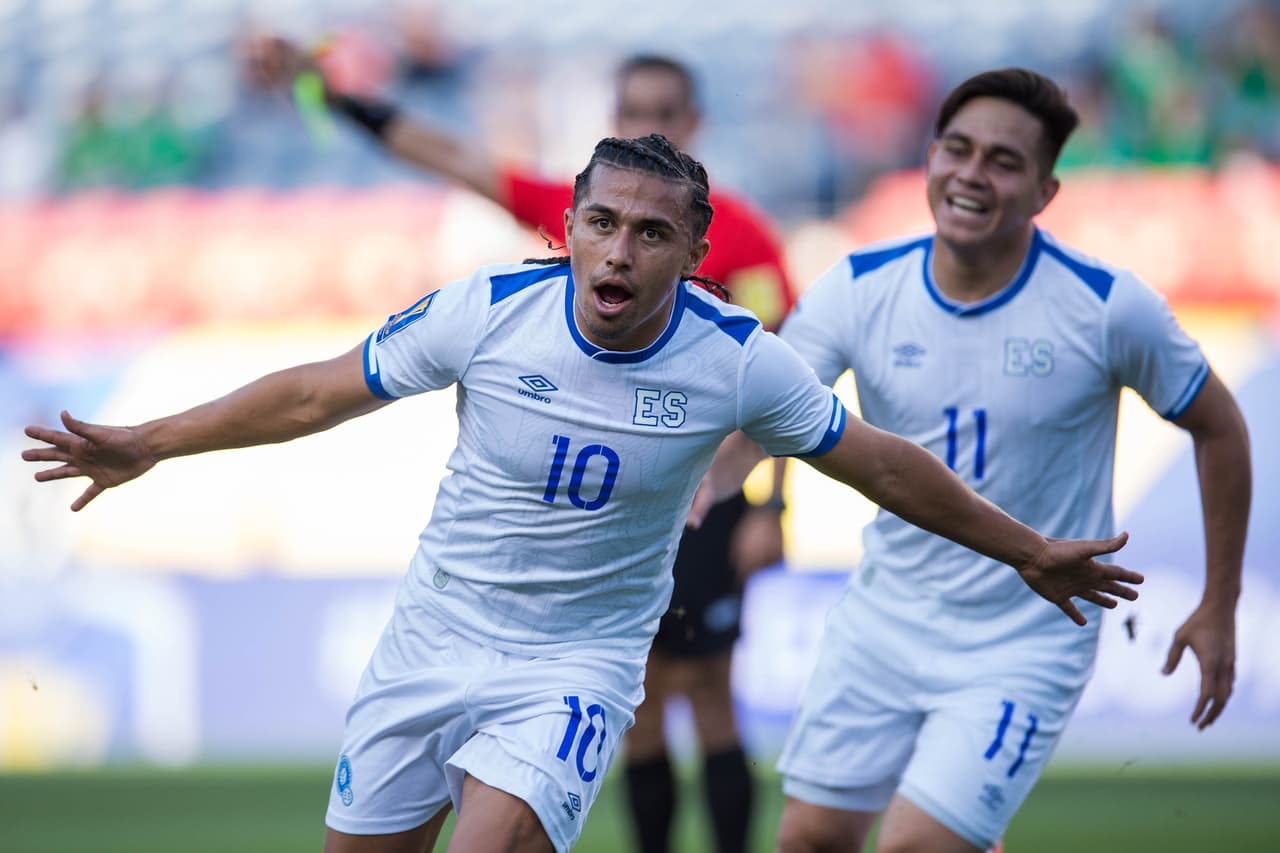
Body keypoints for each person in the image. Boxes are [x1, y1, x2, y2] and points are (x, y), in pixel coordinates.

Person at [22, 133, 1144, 853]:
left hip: (574, 665)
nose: (617, 251)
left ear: (693, 251)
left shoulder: (737, 357)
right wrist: (153, 442)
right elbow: (320, 393)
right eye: (600, 223)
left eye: (650, 232)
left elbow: (880, 460)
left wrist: (1024, 547)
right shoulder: (487, 309)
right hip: (428, 638)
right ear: (566, 227)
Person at [248, 39, 793, 853]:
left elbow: (780, 382)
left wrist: (764, 501)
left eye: (663, 113)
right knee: (639, 710)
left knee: (708, 689)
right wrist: (337, 95)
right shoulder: (583, 219)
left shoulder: (744, 240)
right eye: (633, 113)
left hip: (698, 492)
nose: (649, 125)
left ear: (693, 121)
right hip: (583, 521)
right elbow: (451, 157)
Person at [697, 69, 1250, 853]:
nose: (971, 174)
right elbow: (764, 415)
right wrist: (707, 482)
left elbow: (1221, 426)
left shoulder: (1105, 306)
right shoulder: (858, 288)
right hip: (885, 618)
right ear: (929, 157)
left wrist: (1219, 602)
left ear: (1045, 190)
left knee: (915, 847)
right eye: (957, 148)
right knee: (811, 839)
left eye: (1002, 160)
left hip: (1027, 635)